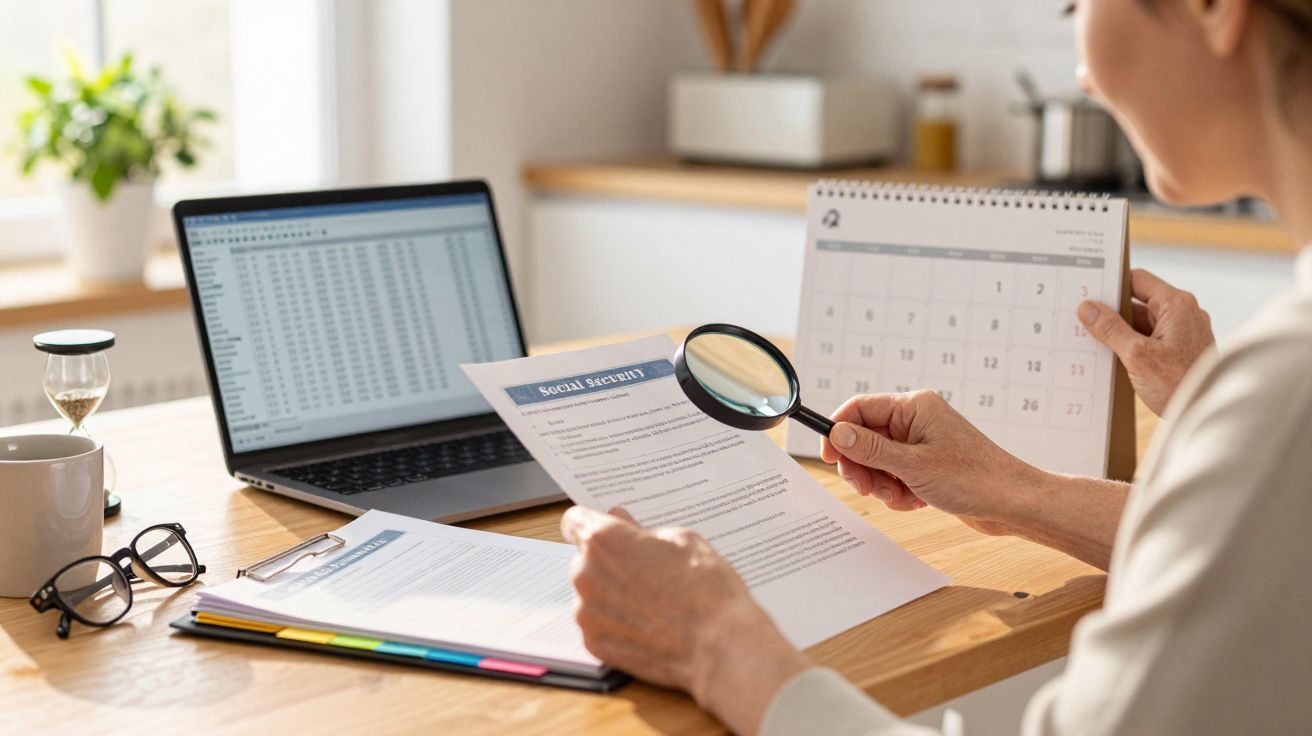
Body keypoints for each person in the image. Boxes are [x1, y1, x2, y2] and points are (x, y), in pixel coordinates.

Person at [561, 0, 1312, 734]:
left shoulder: (1286, 389)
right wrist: (1020, 491)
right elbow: (1274, 560)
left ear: (1215, 8)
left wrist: (716, 644)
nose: (1083, 74)